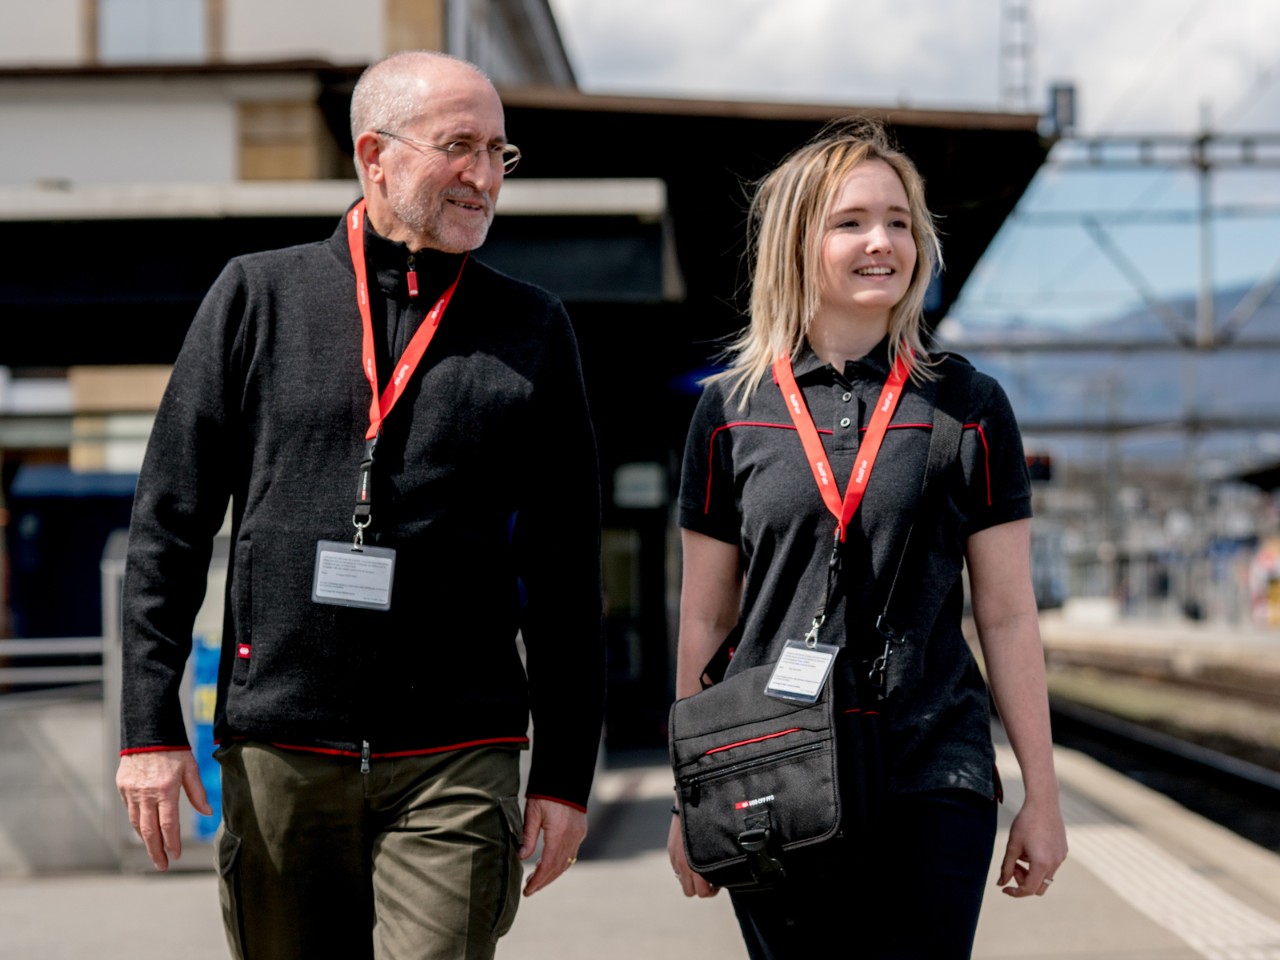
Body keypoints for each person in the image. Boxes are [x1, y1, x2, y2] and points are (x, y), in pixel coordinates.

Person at [116, 50, 605, 960]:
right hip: (280, 748)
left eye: (501, 151)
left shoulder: (533, 326)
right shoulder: (256, 296)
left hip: (460, 751)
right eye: (460, 145)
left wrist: (567, 774)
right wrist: (150, 722)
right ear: (374, 155)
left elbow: (566, 570)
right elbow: (169, 523)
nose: (486, 175)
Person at [667, 119, 1068, 959]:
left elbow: (1006, 614)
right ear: (796, 244)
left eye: (899, 220)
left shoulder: (967, 403)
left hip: (934, 770)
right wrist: (689, 794)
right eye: (850, 222)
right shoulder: (730, 408)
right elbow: (704, 621)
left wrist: (1042, 791)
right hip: (769, 771)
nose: (882, 241)